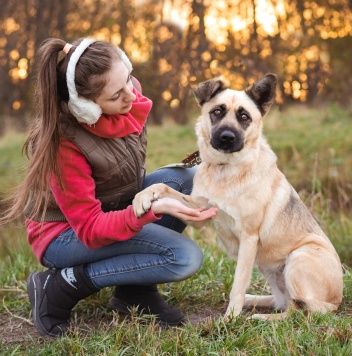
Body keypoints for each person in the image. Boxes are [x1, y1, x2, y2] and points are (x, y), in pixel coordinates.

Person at [2, 37, 217, 337]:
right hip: (65, 235)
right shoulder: (65, 144)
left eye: (128, 78)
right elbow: (89, 228)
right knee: (183, 258)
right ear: (85, 107)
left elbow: (126, 96)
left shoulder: (125, 90)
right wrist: (149, 211)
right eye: (117, 95)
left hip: (111, 205)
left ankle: (133, 292)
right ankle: (59, 285)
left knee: (187, 178)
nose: (131, 94)